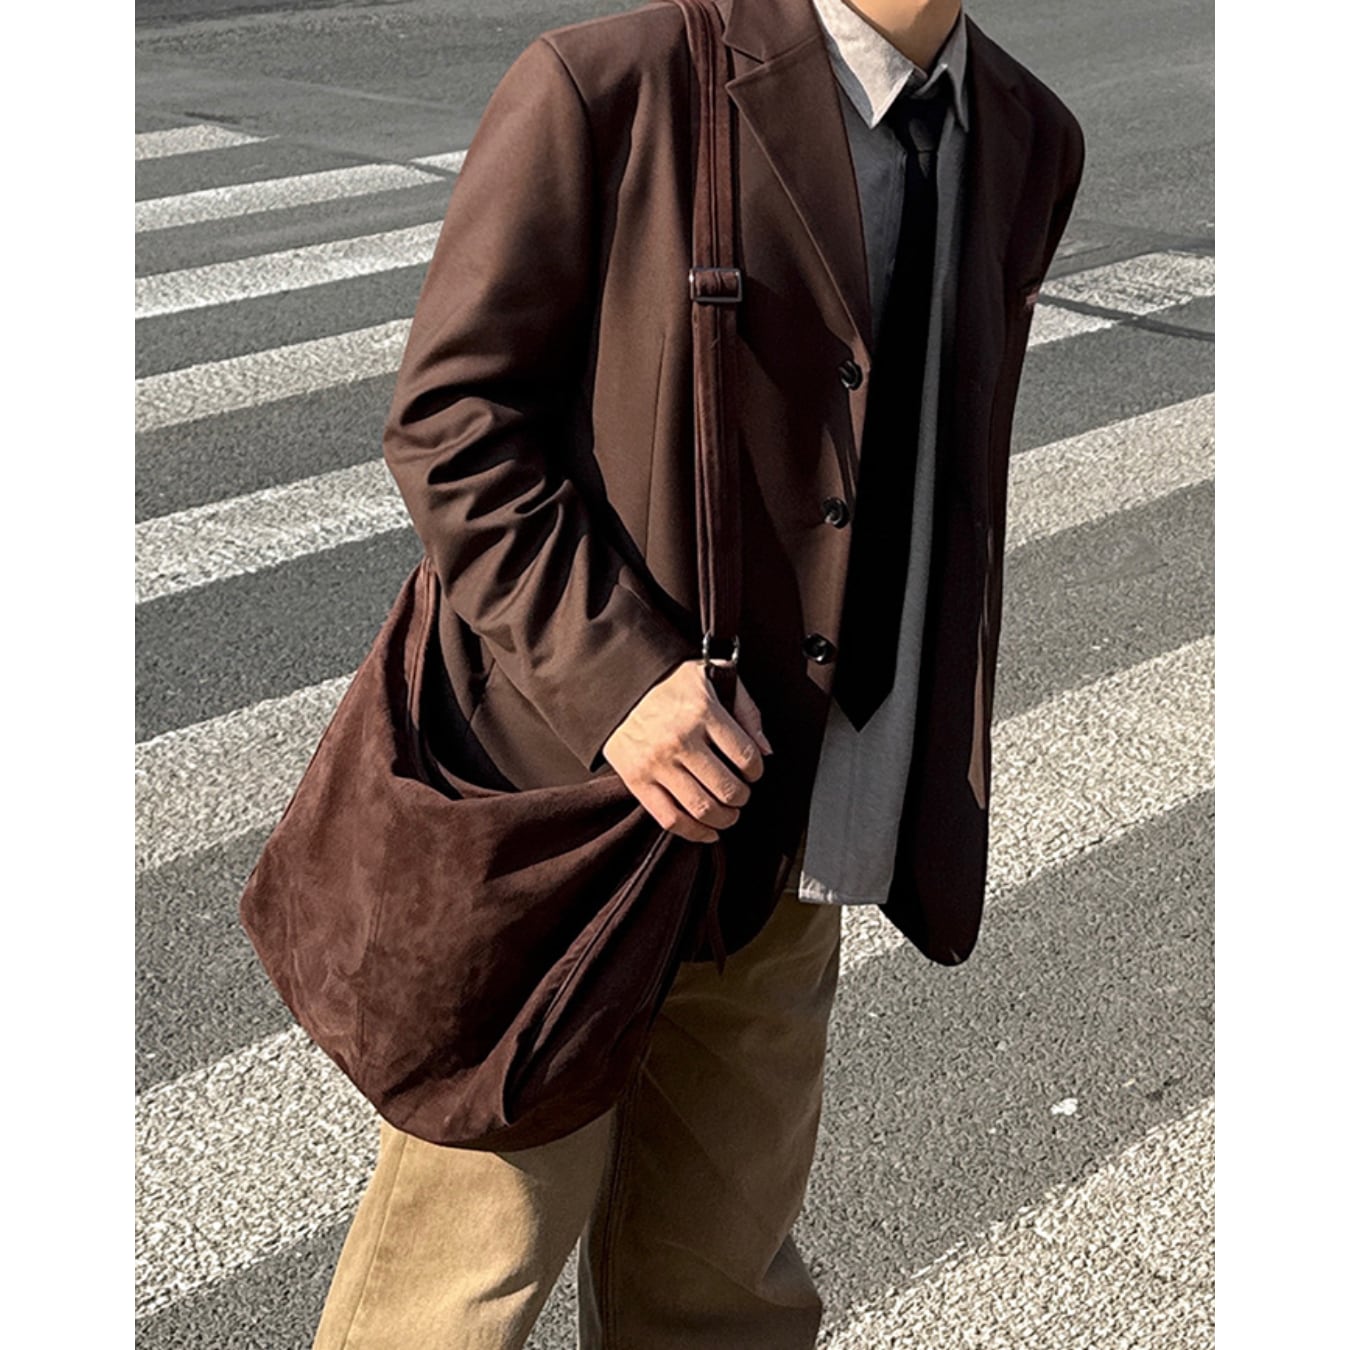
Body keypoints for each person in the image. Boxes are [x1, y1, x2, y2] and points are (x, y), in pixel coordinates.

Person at [312, 0, 1085, 1344]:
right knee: (452, 1301)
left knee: (722, 1300)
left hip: (803, 836)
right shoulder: (613, 82)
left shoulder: (1024, 134)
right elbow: (452, 425)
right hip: (574, 842)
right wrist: (620, 682)